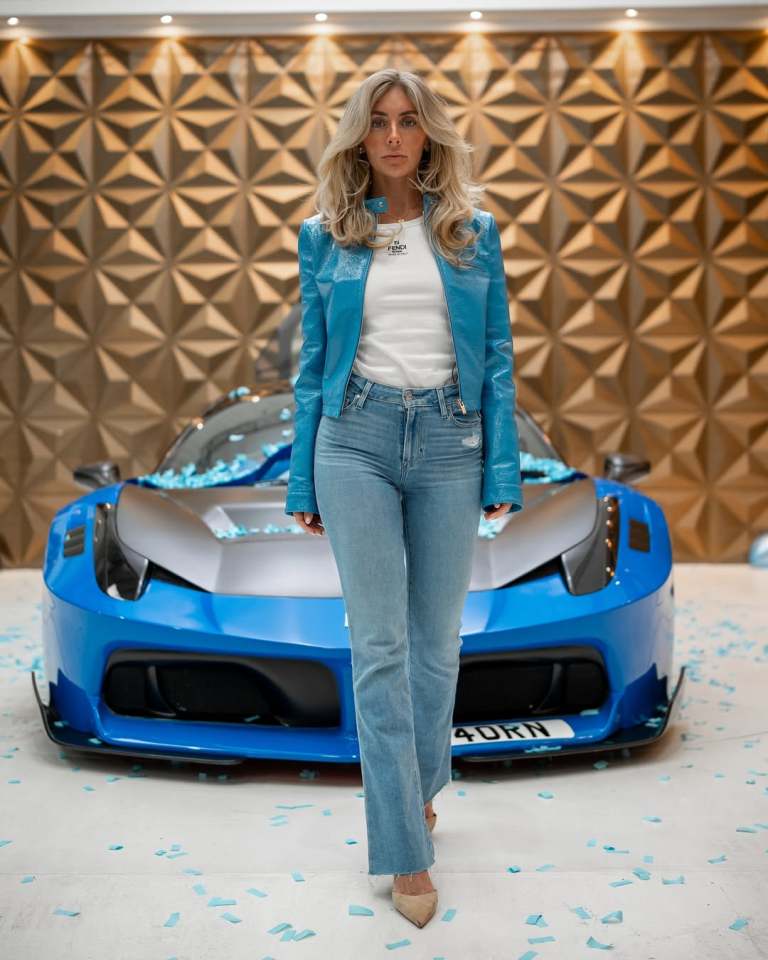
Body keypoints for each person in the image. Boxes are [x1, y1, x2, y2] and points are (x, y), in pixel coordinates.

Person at [285, 67, 523, 927]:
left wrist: (502, 472)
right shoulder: (326, 234)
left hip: (452, 444)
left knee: (435, 649)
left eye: (408, 121)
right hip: (354, 439)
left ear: (429, 136)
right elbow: (312, 365)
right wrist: (301, 475)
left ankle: (419, 791)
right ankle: (405, 853)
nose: (392, 136)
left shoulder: (472, 232)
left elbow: (495, 357)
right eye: (378, 121)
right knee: (380, 647)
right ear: (359, 135)